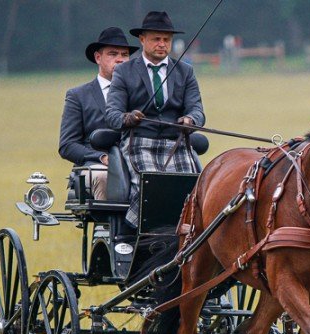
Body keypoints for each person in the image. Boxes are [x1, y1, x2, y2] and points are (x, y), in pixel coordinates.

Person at [105, 11, 205, 227]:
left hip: (177, 144)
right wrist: (129, 118)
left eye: (166, 40)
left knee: (192, 190)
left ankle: (187, 238)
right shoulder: (124, 71)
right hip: (139, 143)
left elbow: (198, 110)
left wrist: (190, 120)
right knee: (151, 189)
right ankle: (146, 235)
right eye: (156, 39)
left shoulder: (185, 71)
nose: (162, 44)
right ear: (142, 40)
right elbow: (112, 114)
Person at [59, 27, 138, 200]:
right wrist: (101, 157)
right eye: (112, 54)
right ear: (98, 57)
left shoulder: (140, 93)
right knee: (105, 177)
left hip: (135, 162)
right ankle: (108, 226)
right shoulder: (78, 96)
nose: (120, 60)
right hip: (95, 166)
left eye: (124, 55)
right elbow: (67, 145)